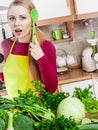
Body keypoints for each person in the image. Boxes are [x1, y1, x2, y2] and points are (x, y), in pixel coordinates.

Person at [0, 0, 58, 99]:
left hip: (38, 112)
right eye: (11, 18)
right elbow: (12, 78)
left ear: (32, 20)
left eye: (22, 18)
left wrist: (41, 59)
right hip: (15, 111)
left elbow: (51, 88)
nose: (16, 23)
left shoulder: (45, 46)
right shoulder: (6, 45)